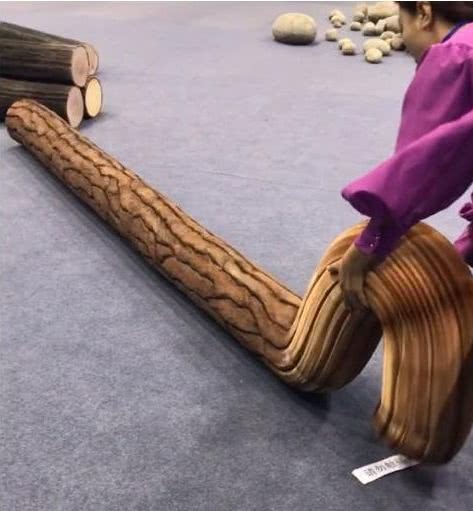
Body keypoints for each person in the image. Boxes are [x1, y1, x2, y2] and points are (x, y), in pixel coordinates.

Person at [329, 1, 473, 310]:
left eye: (401, 23)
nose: (404, 38)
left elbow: (424, 166)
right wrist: (459, 255)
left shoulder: (456, 55)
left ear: (424, 13)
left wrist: (369, 245)